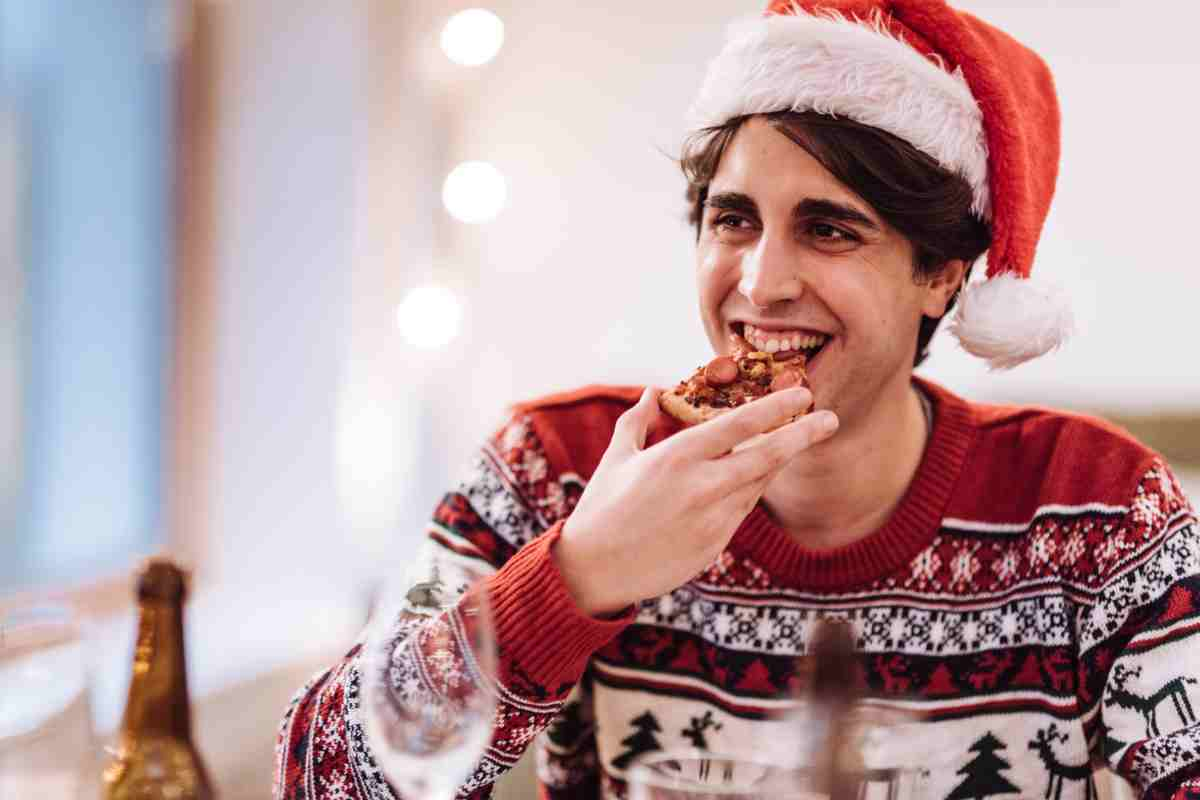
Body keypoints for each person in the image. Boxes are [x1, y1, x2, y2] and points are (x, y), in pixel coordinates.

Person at [273, 2, 1200, 798]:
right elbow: (316, 775)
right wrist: (577, 575)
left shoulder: (1096, 507)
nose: (762, 282)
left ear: (942, 276)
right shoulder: (551, 468)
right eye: (734, 219)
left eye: (830, 229)